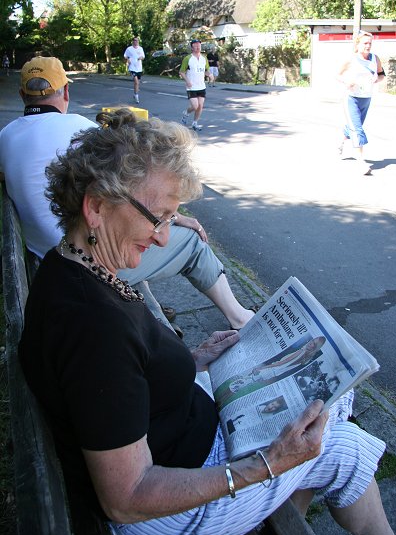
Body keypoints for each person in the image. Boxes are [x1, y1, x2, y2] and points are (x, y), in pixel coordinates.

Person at [18, 110, 396, 535]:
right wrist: (268, 464)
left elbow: (120, 379)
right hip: (165, 513)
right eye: (157, 217)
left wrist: (191, 360)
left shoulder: (73, 263)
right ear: (97, 207)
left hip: (183, 436)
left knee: (332, 397)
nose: (164, 238)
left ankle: (275, 506)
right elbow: (127, 498)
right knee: (341, 443)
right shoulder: (92, 326)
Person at [0, 56, 255, 330]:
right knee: (190, 242)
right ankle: (239, 317)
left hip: (47, 257)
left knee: (129, 238)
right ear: (65, 92)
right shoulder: (80, 130)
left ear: (22, 95)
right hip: (86, 255)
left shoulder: (5, 137)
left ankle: (155, 320)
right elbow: (134, 187)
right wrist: (176, 218)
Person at [337, 31, 385, 176]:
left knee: (354, 126)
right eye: (365, 43)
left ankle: (341, 142)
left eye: (370, 43)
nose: (368, 46)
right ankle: (361, 162)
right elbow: (337, 75)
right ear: (357, 45)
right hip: (351, 98)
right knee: (357, 129)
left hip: (366, 98)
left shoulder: (375, 59)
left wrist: (377, 80)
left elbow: (382, 75)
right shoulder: (351, 59)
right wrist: (346, 81)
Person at [180, 39, 213, 131]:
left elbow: (206, 70)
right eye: (195, 45)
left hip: (201, 86)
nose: (198, 47)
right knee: (195, 106)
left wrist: (210, 75)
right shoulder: (188, 58)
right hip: (191, 87)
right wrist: (187, 81)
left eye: (199, 45)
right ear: (192, 47)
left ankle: (195, 123)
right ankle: (186, 113)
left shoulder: (204, 58)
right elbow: (182, 72)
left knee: (200, 106)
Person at [124, 37, 145, 104]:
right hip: (132, 67)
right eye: (135, 40)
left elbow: (143, 56)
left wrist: (140, 58)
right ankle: (136, 96)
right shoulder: (129, 49)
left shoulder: (140, 48)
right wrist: (128, 59)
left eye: (137, 41)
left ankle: (135, 93)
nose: (136, 42)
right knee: (136, 81)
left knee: (137, 83)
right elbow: (125, 55)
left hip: (139, 68)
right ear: (133, 41)